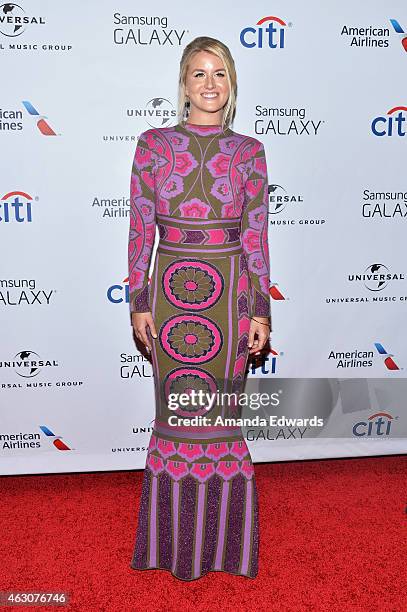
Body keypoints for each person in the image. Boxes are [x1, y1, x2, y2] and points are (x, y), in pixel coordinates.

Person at [128, 35, 272, 581]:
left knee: (222, 422)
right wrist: (139, 299)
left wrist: (260, 309)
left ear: (231, 84)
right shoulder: (153, 144)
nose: (210, 84)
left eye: (219, 74)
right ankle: (170, 548)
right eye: (198, 74)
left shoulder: (249, 151)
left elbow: (257, 236)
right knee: (176, 418)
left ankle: (222, 550)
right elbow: (142, 226)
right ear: (183, 83)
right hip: (170, 296)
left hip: (230, 297)